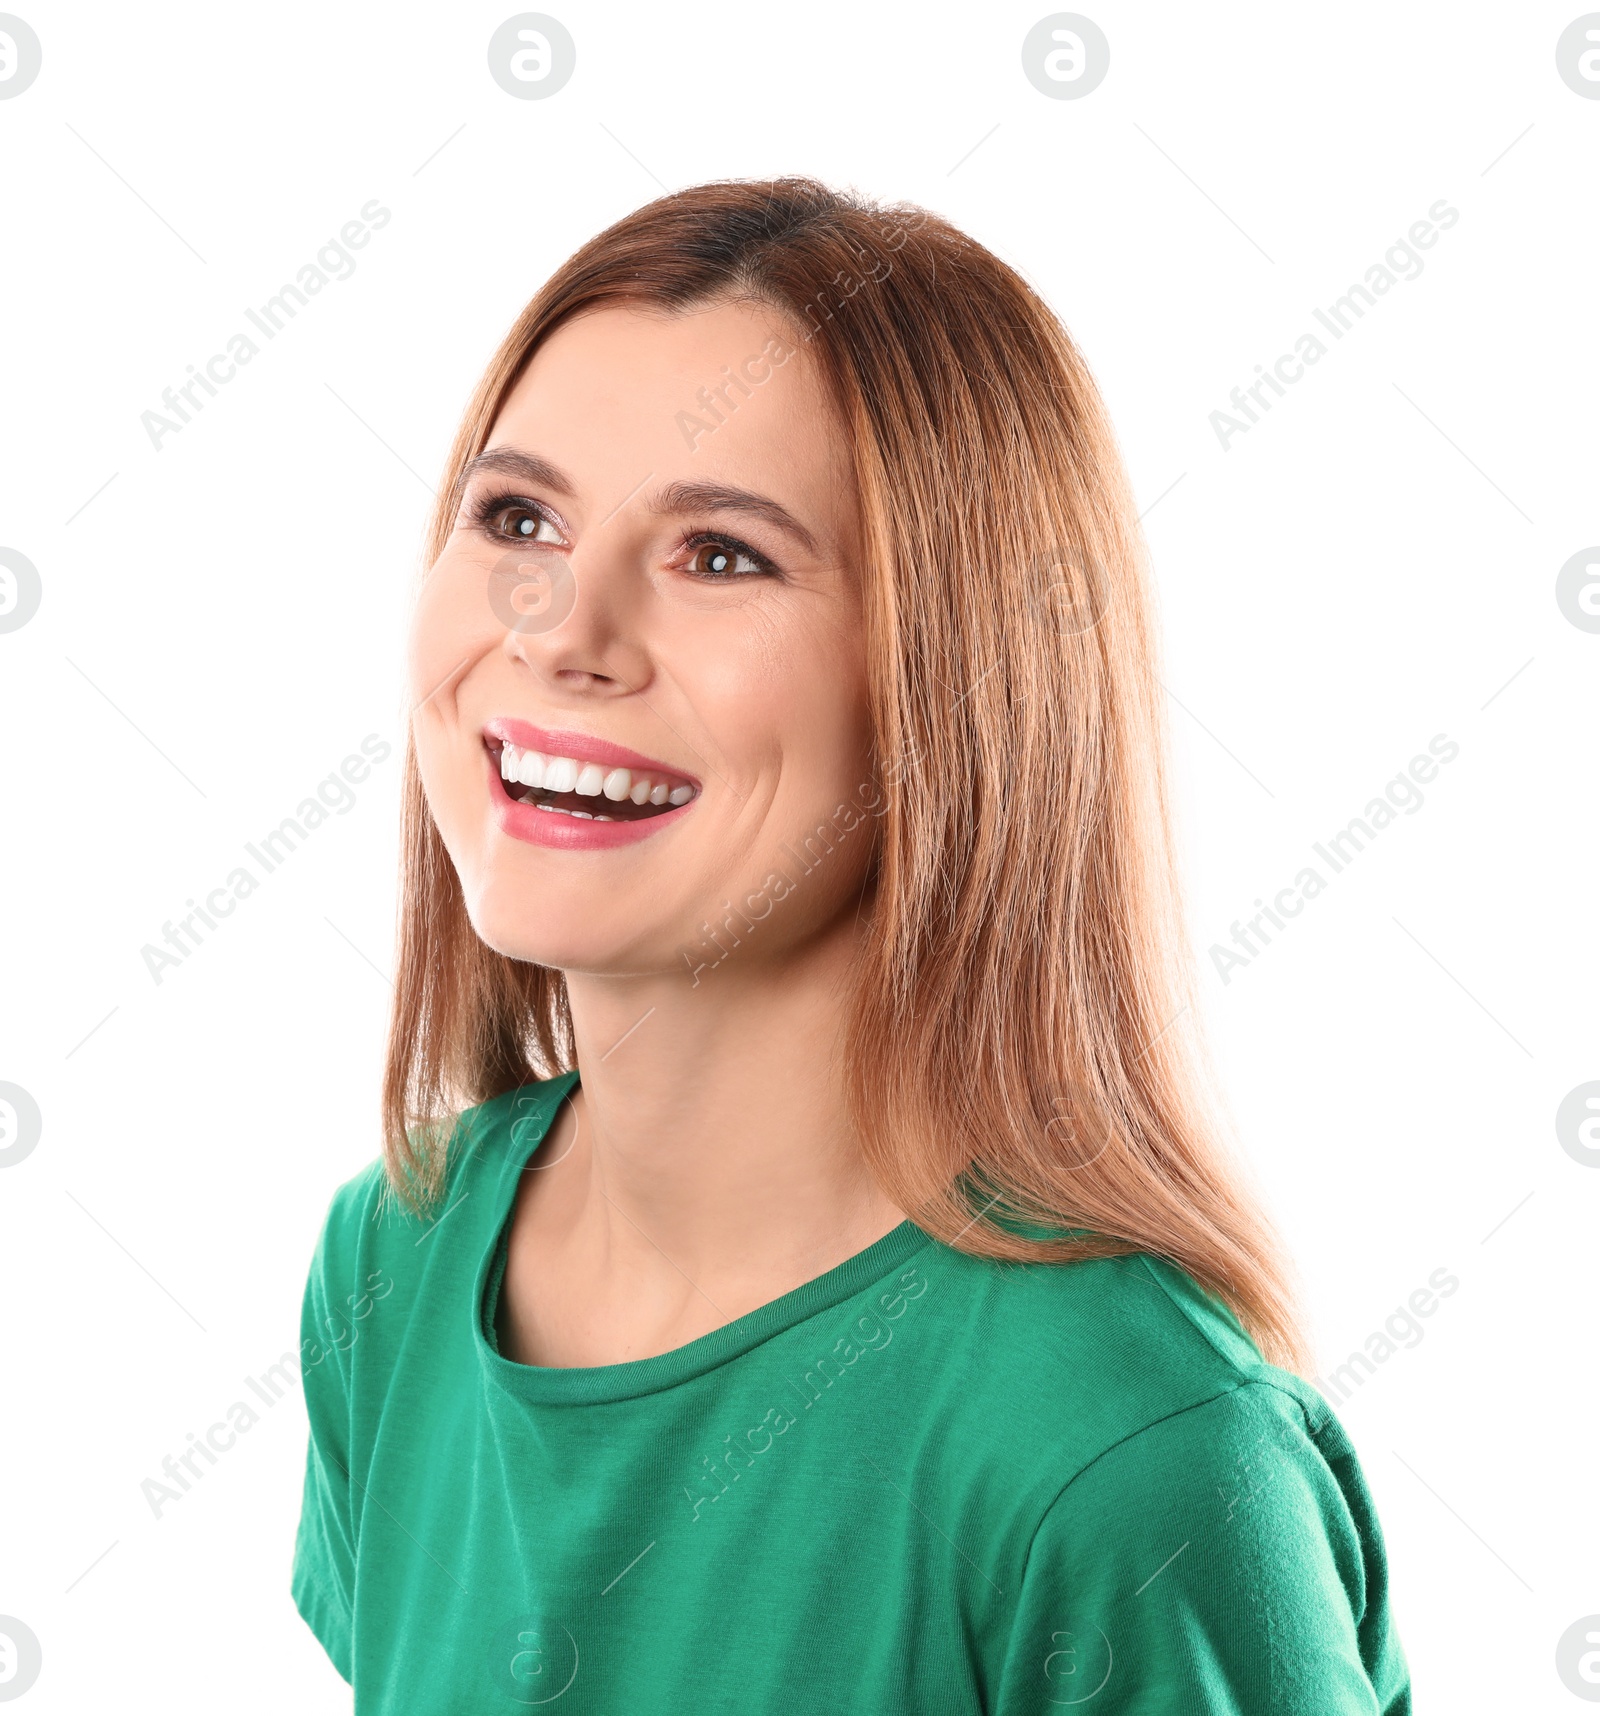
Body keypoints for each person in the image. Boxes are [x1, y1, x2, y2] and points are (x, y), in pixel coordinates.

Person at [292, 177, 1411, 1713]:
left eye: (723, 556)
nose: (561, 629)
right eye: (519, 518)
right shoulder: (395, 1268)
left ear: (953, 680)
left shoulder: (1129, 1459)